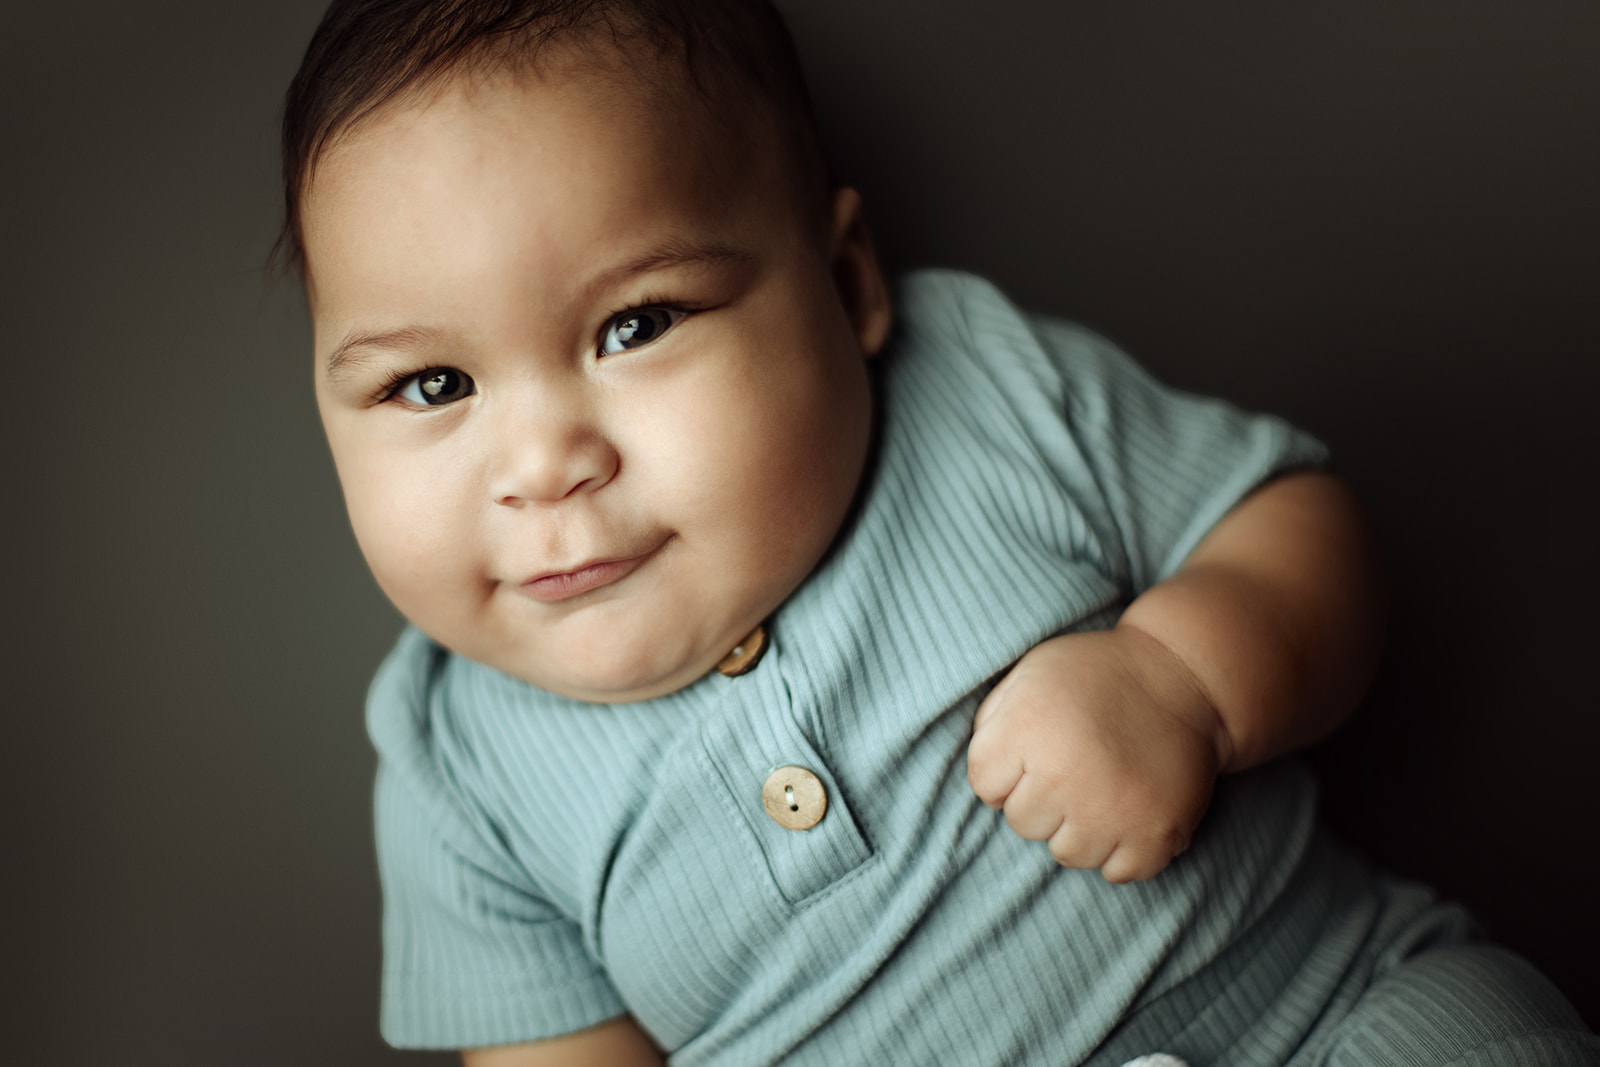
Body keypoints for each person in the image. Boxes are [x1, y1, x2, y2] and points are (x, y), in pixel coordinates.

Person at [278, 0, 1600, 1063]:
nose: (546, 464)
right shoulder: (455, 766)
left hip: (1318, 1016)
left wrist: (1185, 680)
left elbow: (1304, 531)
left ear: (846, 283)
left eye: (638, 325)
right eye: (431, 386)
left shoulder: (982, 391)